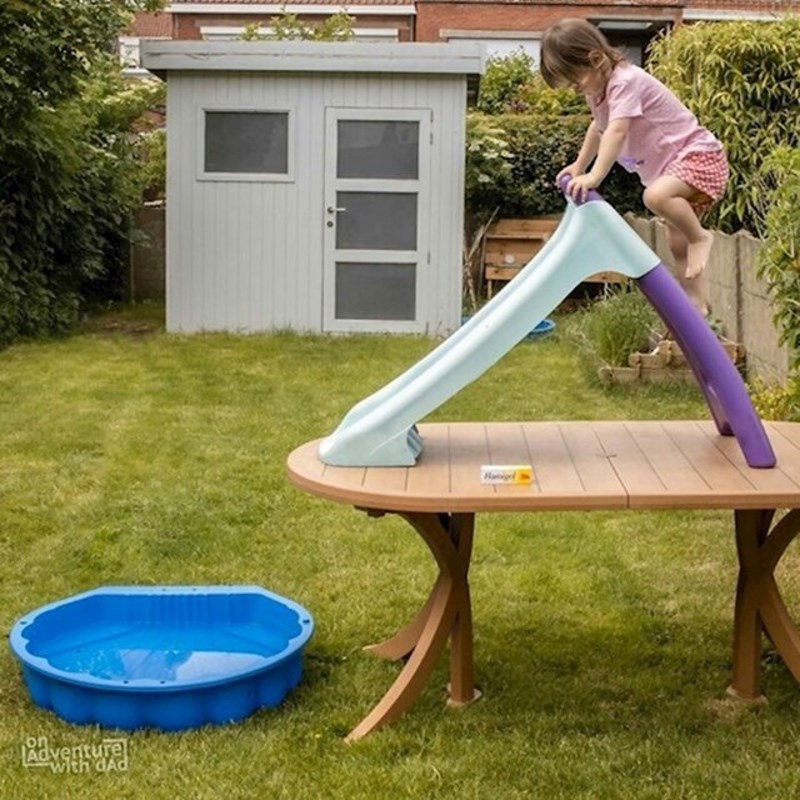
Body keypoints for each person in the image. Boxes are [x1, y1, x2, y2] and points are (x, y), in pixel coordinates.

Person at [540, 18, 728, 315]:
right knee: (676, 242)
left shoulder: (625, 81)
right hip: (672, 169)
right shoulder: (598, 92)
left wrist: (595, 175)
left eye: (576, 82)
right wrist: (579, 165)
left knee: (655, 197)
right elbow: (599, 128)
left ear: (596, 59)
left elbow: (616, 131)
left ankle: (701, 236)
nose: (576, 90)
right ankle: (696, 304)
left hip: (697, 156)